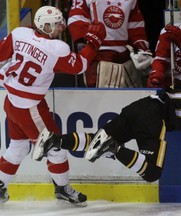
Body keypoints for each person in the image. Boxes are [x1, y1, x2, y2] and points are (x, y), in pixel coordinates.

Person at [32, 77, 181, 183]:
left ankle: (54, 140)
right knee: (152, 173)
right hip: (155, 120)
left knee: (97, 138)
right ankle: (113, 148)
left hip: (142, 104)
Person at [0, 5, 106, 205]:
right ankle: (62, 188)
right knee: (56, 148)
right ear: (46, 26)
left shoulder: (19, 33)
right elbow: (80, 66)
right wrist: (93, 43)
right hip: (30, 107)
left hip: (12, 102)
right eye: (57, 24)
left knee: (18, 147)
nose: (62, 27)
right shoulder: (56, 49)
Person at [68, 0, 153, 88]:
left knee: (129, 95)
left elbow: (135, 26)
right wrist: (87, 44)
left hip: (124, 56)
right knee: (99, 96)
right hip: (97, 55)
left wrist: (141, 48)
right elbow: (77, 19)